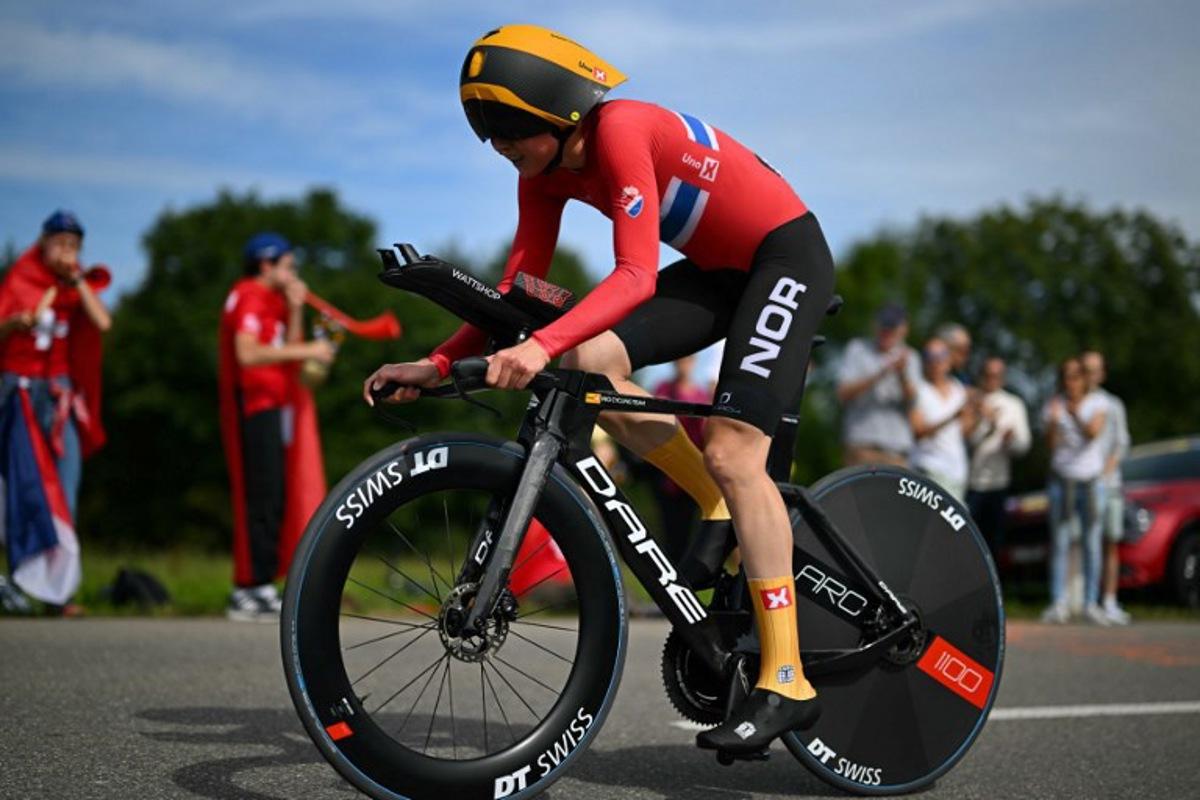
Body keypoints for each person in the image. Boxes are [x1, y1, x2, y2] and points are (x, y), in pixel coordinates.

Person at [364, 24, 834, 752]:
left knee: (738, 454)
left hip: (783, 254)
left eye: (510, 126)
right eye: (486, 130)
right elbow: (517, 291)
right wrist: (434, 363)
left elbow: (637, 275)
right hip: (717, 273)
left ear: (559, 109)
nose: (498, 145)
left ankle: (787, 677)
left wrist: (540, 343)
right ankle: (710, 498)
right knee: (586, 363)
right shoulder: (541, 175)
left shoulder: (620, 131)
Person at [218, 233, 334, 621]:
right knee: (262, 496)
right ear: (266, 265)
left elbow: (291, 346)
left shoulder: (273, 300)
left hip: (278, 405)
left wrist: (296, 308)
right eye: (287, 265)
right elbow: (247, 353)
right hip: (256, 406)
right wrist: (309, 351)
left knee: (277, 495)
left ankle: (264, 583)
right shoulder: (248, 294)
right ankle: (248, 587)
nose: (294, 272)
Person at [0, 210, 110, 615]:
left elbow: (102, 321)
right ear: (43, 242)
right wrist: (14, 324)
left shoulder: (75, 286)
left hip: (60, 395)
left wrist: (77, 280)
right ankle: (18, 583)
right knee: (25, 488)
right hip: (21, 391)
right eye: (60, 243)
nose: (67, 252)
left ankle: (58, 593)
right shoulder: (21, 279)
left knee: (66, 488)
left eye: (74, 246)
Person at [1041, 356, 1107, 625]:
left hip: (1089, 480)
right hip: (1061, 480)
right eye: (1066, 376)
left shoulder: (1098, 402)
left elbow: (1093, 432)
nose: (1071, 382)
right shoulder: (1052, 405)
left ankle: (1092, 603)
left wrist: (1073, 413)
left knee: (1092, 541)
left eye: (1076, 376)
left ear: (1083, 379)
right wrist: (1055, 422)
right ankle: (1059, 602)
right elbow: (1050, 444)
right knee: (1060, 542)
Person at [836, 302, 920, 466]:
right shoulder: (857, 348)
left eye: (893, 327)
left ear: (904, 329)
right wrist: (881, 373)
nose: (887, 331)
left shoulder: (912, 357)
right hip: (861, 447)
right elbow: (842, 393)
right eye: (884, 325)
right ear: (875, 324)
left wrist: (902, 374)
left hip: (897, 451)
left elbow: (913, 402)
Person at [1082, 350, 1132, 624]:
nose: (1089, 375)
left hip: (1107, 484)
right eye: (1085, 369)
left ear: (1102, 373)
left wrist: (1105, 473)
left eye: (1094, 369)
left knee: (1110, 542)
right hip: (1082, 483)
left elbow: (1122, 443)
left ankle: (1110, 600)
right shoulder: (1075, 403)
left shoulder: (1113, 404)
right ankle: (1085, 601)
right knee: (1084, 542)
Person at [965, 357, 1031, 563]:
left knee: (994, 542)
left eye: (997, 375)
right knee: (966, 540)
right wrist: (985, 422)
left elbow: (1023, 446)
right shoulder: (970, 400)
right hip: (970, 482)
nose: (992, 379)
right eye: (988, 374)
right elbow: (964, 442)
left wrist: (1010, 441)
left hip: (998, 482)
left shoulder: (1013, 404)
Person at [651, 355, 712, 560]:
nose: (683, 365)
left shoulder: (701, 395)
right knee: (669, 527)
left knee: (688, 527)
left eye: (687, 361)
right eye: (680, 361)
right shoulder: (663, 390)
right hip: (666, 469)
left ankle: (684, 571)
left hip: (692, 469)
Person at [908, 337, 972, 500]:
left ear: (949, 359)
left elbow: (964, 432)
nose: (936, 362)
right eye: (930, 356)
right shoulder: (919, 391)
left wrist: (979, 416)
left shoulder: (958, 389)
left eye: (941, 356)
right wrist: (952, 417)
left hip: (957, 473)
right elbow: (918, 431)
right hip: (928, 469)